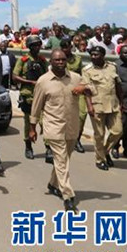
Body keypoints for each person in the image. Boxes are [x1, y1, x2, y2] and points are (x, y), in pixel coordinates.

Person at [29, 49, 89, 212]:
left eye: (63, 60)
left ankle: (52, 183)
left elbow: (91, 88)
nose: (61, 62)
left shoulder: (76, 78)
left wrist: (83, 88)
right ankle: (68, 196)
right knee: (62, 160)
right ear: (51, 62)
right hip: (53, 127)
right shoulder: (43, 81)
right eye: (57, 60)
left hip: (72, 126)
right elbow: (36, 106)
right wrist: (32, 128)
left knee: (64, 159)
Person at [82, 46, 124, 171]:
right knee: (99, 135)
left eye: (96, 54)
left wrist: (122, 102)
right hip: (97, 105)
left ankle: (105, 152)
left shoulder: (112, 67)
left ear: (103, 55)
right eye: (92, 54)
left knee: (118, 131)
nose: (93, 57)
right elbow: (86, 90)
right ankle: (100, 160)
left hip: (113, 104)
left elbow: (117, 85)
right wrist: (89, 106)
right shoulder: (87, 70)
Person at [12, 35, 50, 161]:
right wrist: (30, 82)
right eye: (34, 45)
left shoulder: (43, 60)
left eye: (38, 45)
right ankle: (28, 147)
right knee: (28, 123)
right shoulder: (23, 60)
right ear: (29, 47)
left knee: (45, 123)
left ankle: (48, 148)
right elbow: (15, 77)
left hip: (42, 95)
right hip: (28, 95)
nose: (37, 47)